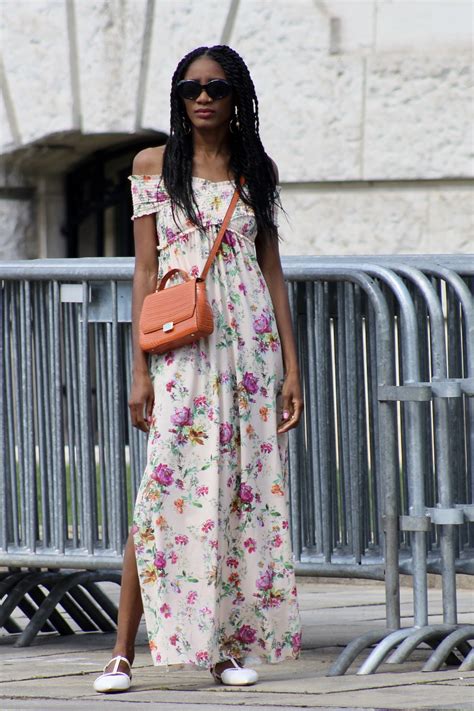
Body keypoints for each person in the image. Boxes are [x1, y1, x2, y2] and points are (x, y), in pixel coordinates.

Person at [94, 44, 303, 693]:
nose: (203, 97)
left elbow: (270, 269)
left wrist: (292, 369)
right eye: (191, 88)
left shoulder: (255, 168)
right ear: (179, 97)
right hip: (182, 347)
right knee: (161, 493)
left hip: (248, 348)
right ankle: (123, 651)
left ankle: (220, 647)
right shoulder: (153, 164)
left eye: (215, 87)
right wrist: (139, 370)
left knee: (232, 498)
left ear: (237, 95)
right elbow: (144, 268)